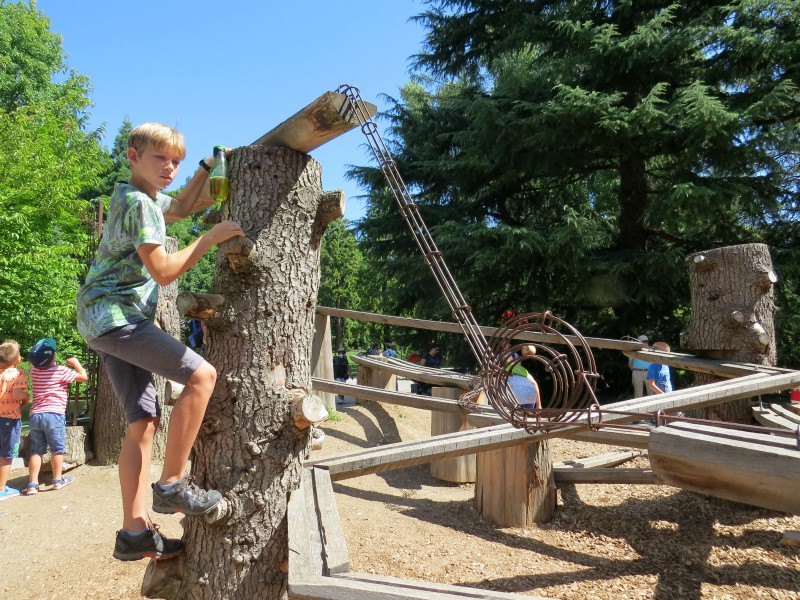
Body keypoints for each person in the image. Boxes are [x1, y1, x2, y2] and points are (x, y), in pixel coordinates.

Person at [76, 123, 245, 562]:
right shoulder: (141, 205)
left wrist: (208, 167)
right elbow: (165, 271)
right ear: (133, 156)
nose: (169, 168)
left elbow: (186, 206)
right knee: (202, 376)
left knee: (143, 422)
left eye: (176, 161)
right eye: (159, 159)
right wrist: (209, 240)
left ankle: (134, 533)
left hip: (99, 320)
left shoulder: (134, 197)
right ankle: (172, 485)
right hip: (118, 318)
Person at [26, 338, 88, 495]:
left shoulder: (33, 372)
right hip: (54, 414)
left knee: (36, 451)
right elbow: (83, 377)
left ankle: (32, 484)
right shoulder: (60, 371)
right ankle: (57, 480)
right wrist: (75, 363)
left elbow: (38, 365)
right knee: (57, 450)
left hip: (36, 415)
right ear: (52, 358)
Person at [0, 340, 28, 501]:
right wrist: (26, 396)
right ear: (17, 360)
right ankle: (2, 488)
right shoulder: (17, 374)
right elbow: (17, 395)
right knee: (6, 454)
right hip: (9, 420)